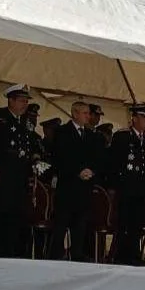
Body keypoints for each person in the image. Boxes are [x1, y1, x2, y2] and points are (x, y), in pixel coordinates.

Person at [0, 85, 35, 258]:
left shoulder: (26, 122)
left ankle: (12, 253)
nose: (25, 104)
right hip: (2, 175)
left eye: (26, 101)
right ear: (11, 100)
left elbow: (28, 148)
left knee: (17, 216)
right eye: (21, 101)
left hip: (19, 177)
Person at [46, 100, 102, 262]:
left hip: (84, 187)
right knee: (62, 222)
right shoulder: (62, 132)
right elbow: (60, 157)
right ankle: (56, 254)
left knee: (81, 223)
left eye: (89, 113)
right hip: (68, 186)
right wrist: (77, 171)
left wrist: (91, 170)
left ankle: (77, 253)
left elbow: (97, 157)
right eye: (85, 113)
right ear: (75, 113)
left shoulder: (91, 135)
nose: (88, 116)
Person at [108, 104, 145, 266]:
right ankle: (120, 255)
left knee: (137, 224)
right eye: (144, 118)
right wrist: (114, 185)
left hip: (143, 189)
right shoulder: (122, 136)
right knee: (124, 223)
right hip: (126, 187)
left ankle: (134, 255)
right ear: (135, 118)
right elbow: (114, 162)